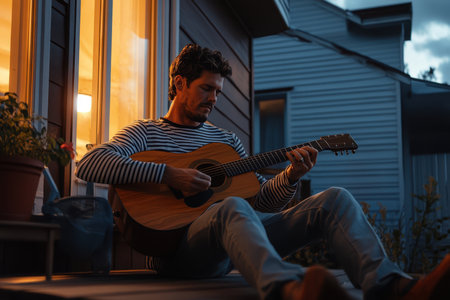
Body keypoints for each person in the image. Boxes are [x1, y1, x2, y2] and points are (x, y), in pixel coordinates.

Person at [76, 44, 450, 300]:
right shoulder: (145, 133)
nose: (213, 99)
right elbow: (89, 163)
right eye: (206, 88)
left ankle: (392, 287)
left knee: (333, 199)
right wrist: (168, 175)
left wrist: (290, 176)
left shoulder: (225, 142)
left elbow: (262, 201)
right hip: (179, 255)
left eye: (219, 92)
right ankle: (289, 290)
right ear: (179, 85)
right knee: (231, 208)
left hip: (231, 241)